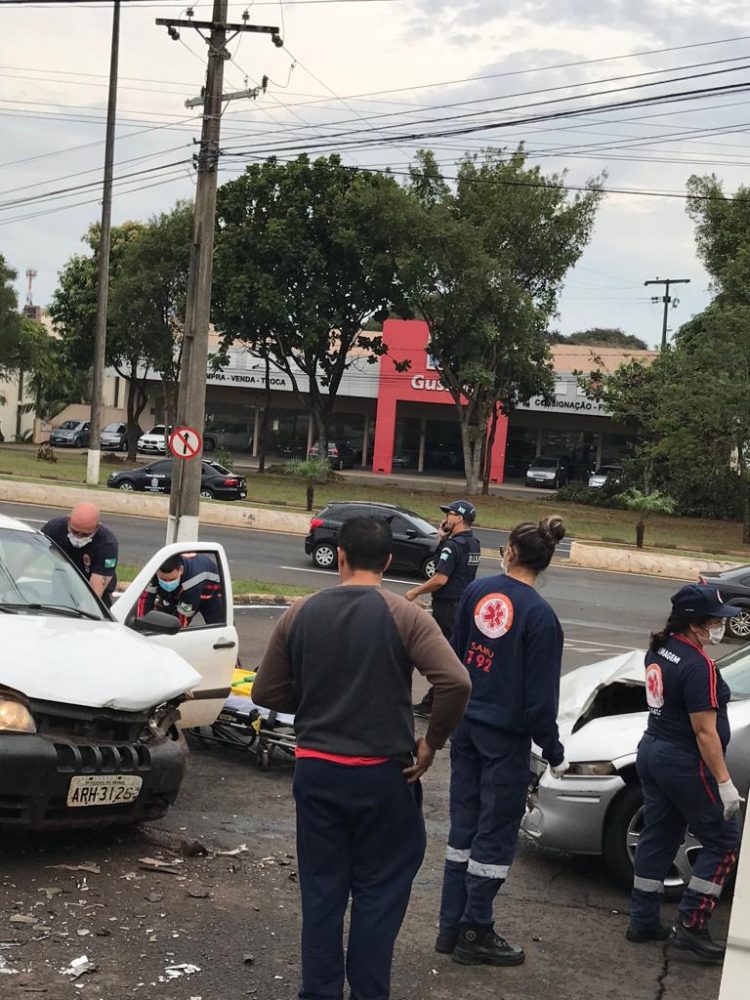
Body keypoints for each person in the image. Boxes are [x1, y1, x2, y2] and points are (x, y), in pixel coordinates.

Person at [252, 516, 471, 1000]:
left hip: (316, 772)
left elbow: (267, 690)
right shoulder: (406, 615)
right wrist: (431, 742)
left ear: (342, 557)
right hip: (382, 777)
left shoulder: (300, 613)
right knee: (379, 892)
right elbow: (455, 682)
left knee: (323, 892)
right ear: (389, 560)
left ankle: (320, 993)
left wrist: (316, 700)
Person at [437, 516, 568, 967]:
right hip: (505, 739)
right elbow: (540, 701)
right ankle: (476, 929)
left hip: (466, 727)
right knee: (495, 833)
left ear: (510, 551)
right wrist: (553, 750)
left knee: (464, 827)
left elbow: (454, 661)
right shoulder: (541, 617)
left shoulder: (476, 592)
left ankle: (450, 927)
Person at [627, 584, 744, 960]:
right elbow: (704, 732)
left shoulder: (660, 649)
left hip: (653, 750)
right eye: (713, 621)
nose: (719, 627)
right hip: (683, 760)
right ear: (695, 624)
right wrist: (724, 783)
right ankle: (692, 925)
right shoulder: (699, 667)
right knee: (724, 841)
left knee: (658, 835)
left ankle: (642, 920)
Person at [406, 499, 481, 719]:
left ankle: (436, 702)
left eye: (449, 514)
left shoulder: (453, 546)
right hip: (463, 604)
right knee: (454, 652)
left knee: (441, 655)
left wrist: (415, 592)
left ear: (458, 518)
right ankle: (437, 700)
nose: (445, 518)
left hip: (448, 607)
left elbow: (440, 578)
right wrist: (442, 538)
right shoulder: (473, 543)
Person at [42, 502, 118, 607]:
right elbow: (27, 554)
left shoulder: (107, 545)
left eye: (86, 534)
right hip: (62, 581)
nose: (79, 538)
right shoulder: (55, 528)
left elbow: (95, 592)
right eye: (75, 531)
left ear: (97, 527)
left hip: (94, 589)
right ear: (69, 520)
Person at [136, 552, 223, 627]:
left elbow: (181, 620)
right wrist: (141, 626)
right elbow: (144, 600)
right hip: (181, 588)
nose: (168, 583)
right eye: (163, 580)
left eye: (172, 579)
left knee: (218, 627)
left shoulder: (192, 583)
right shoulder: (153, 573)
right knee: (161, 621)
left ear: (181, 570)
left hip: (210, 594)